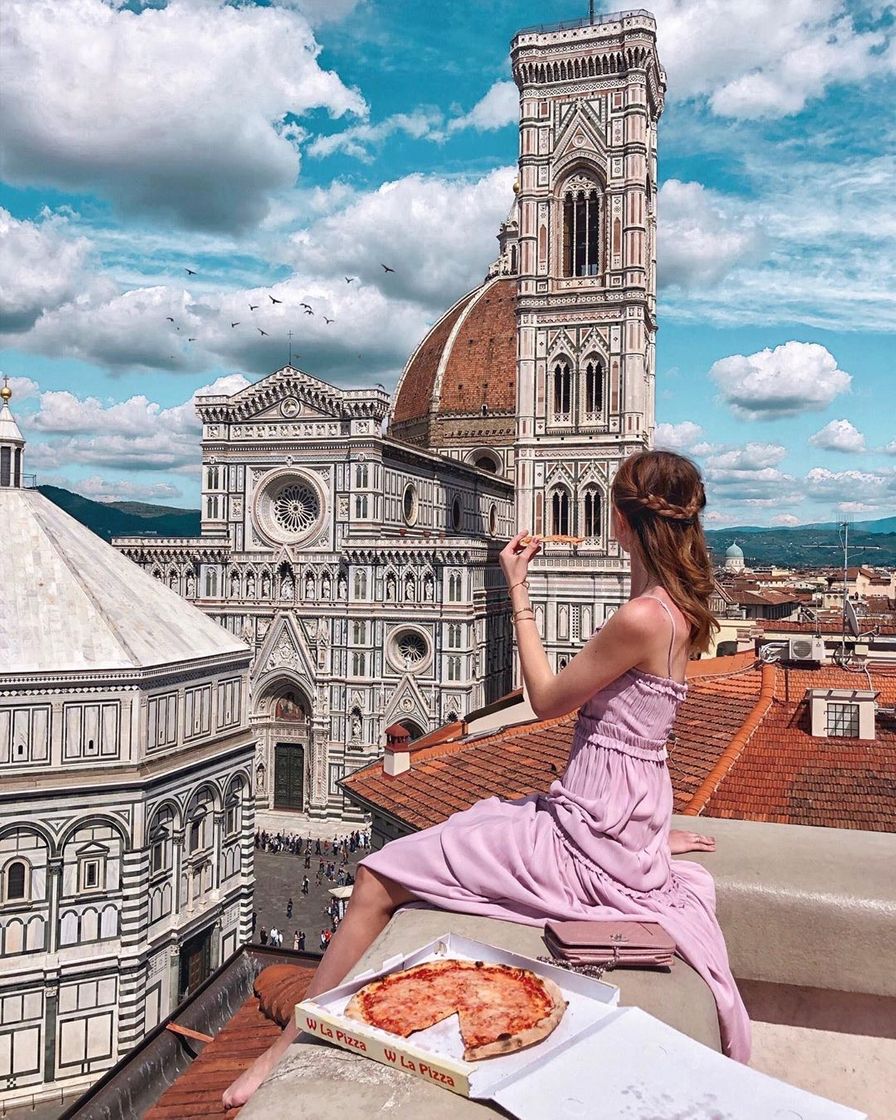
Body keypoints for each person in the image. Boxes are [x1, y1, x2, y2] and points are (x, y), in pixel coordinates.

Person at [223, 451, 748, 1108]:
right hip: (617, 823)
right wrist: (648, 835)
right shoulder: (682, 611)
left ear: (618, 519)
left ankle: (283, 1051)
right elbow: (640, 743)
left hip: (588, 834)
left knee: (378, 876)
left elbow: (549, 697)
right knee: (478, 826)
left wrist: (516, 589)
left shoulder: (641, 616)